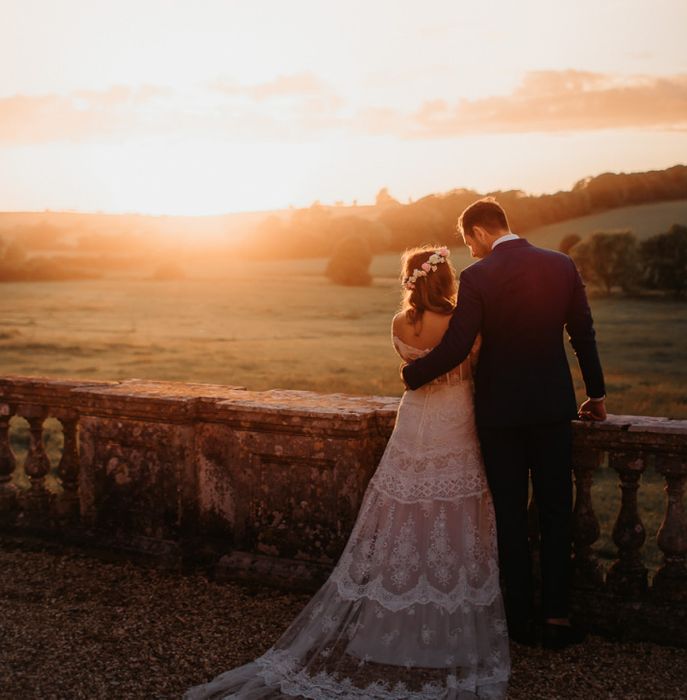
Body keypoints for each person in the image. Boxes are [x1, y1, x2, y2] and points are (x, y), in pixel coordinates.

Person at [183, 245, 510, 699]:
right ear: (445, 279)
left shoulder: (400, 324)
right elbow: (473, 366)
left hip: (414, 422)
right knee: (451, 512)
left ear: (410, 279)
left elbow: (414, 369)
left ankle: (385, 626)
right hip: (455, 421)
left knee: (403, 513)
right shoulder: (462, 320)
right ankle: (446, 630)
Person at [401, 197, 607, 651]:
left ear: (478, 231)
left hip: (499, 416)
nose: (469, 251)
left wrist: (412, 373)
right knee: (556, 512)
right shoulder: (560, 264)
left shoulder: (479, 276)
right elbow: (582, 332)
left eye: (467, 241)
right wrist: (596, 394)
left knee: (509, 516)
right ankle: (556, 616)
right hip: (553, 409)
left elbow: (455, 347)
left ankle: (518, 621)